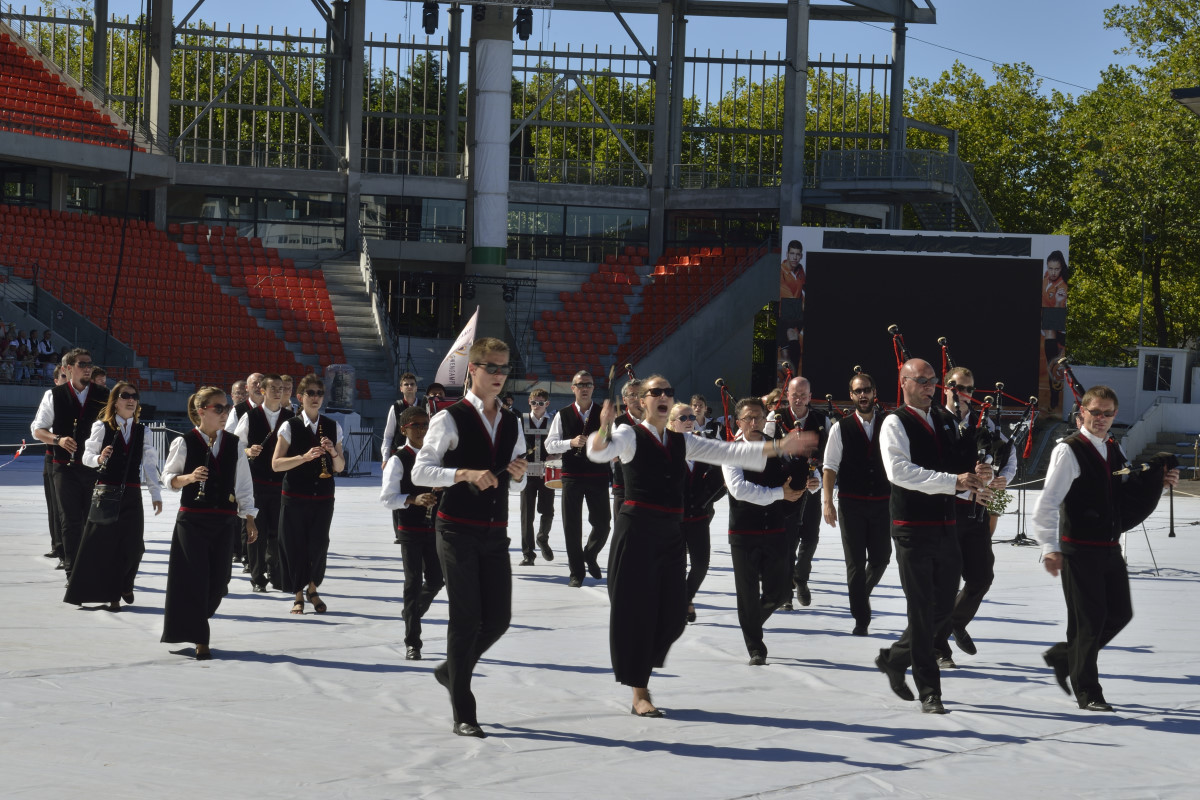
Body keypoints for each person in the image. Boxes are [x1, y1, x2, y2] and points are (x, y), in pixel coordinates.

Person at [588, 376, 816, 715]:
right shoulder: (629, 435)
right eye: (656, 393)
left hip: (669, 533)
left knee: (674, 617)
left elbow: (730, 450)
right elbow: (599, 450)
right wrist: (604, 428)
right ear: (643, 401)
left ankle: (642, 666)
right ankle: (640, 691)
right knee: (636, 613)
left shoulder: (683, 441)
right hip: (636, 531)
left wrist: (781, 446)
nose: (663, 396)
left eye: (668, 391)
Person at [1034, 385, 1179, 712]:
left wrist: (1160, 480)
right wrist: (1049, 547)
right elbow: (1046, 504)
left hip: (1109, 547)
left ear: (1114, 416)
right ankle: (1088, 691)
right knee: (1089, 621)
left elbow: (1126, 489)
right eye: (1095, 412)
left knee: (1119, 613)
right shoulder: (1068, 450)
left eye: (1107, 413)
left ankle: (1063, 656)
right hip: (1077, 549)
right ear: (1082, 411)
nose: (1100, 419)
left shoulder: (1113, 449)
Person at [411, 337, 528, 738]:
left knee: (498, 619)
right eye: (491, 367)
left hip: (496, 531)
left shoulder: (513, 421)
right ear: (472, 370)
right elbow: (420, 472)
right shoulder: (449, 417)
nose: (499, 375)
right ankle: (464, 708)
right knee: (465, 619)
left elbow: (517, 478)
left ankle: (450, 670)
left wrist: (516, 476)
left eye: (504, 368)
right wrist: (461, 474)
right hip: (456, 528)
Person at [874, 358, 988, 714]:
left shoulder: (945, 419)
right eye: (921, 380)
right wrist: (953, 481)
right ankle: (929, 690)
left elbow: (959, 461)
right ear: (903, 382)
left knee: (941, 611)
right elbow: (899, 472)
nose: (929, 386)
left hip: (946, 526)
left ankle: (894, 657)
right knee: (921, 609)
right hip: (911, 529)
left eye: (933, 380)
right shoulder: (895, 421)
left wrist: (978, 472)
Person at [161, 387, 258, 660]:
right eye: (219, 408)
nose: (225, 413)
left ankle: (190, 621)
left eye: (227, 408)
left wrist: (249, 518)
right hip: (192, 520)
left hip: (224, 521)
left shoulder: (234, 443)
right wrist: (189, 478)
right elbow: (168, 478)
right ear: (201, 410)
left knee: (220, 582)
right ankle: (201, 639)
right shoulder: (185, 441)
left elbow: (244, 484)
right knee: (195, 580)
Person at [933, 367, 1017, 664]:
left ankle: (954, 623)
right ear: (945, 388)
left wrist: (1001, 478)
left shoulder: (987, 424)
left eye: (967, 387)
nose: (961, 392)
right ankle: (939, 648)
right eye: (955, 386)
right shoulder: (932, 421)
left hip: (976, 515)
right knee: (945, 582)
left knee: (981, 577)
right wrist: (967, 491)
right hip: (941, 513)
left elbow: (1010, 454)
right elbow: (927, 473)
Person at [721, 397, 806, 664]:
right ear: (739, 423)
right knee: (746, 592)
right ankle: (755, 646)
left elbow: (790, 484)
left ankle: (751, 622)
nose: (755, 422)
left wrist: (807, 484)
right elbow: (739, 490)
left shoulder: (776, 451)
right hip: (744, 534)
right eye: (748, 418)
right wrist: (779, 493)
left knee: (780, 592)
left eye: (759, 417)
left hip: (776, 530)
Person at [64, 382, 162, 611]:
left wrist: (155, 494)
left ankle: (126, 584)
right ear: (115, 401)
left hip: (131, 492)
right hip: (106, 492)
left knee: (135, 546)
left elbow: (149, 465)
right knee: (107, 546)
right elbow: (86, 456)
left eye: (134, 396)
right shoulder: (102, 426)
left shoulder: (142, 430)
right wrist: (99, 458)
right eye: (125, 395)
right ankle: (114, 595)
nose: (131, 399)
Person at [821, 371, 892, 636]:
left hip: (883, 503)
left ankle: (859, 595)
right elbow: (829, 467)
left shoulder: (890, 422)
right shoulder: (841, 427)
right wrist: (827, 502)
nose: (863, 395)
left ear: (875, 392)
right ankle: (861, 619)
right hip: (851, 504)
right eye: (858, 391)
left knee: (881, 558)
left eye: (867, 390)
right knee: (855, 563)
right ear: (851, 395)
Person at [31, 348, 109, 581]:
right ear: (67, 369)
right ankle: (73, 572)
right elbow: (37, 430)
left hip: (95, 467)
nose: (87, 367)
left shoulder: (105, 394)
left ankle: (92, 568)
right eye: (82, 364)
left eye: (89, 363)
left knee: (93, 520)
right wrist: (58, 439)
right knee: (70, 520)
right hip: (63, 467)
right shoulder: (53, 395)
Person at [272, 373, 345, 615]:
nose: (315, 398)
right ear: (300, 397)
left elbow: (340, 467)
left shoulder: (333, 426)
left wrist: (333, 452)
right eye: (310, 393)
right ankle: (298, 595)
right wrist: (303, 457)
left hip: (323, 497)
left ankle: (313, 589)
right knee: (295, 545)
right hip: (295, 496)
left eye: (319, 393)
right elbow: (276, 464)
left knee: (318, 545)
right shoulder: (289, 425)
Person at [380, 406, 443, 660]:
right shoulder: (398, 459)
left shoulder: (437, 456)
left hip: (435, 527)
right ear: (404, 429)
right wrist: (414, 500)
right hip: (410, 529)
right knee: (413, 583)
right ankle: (413, 641)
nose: (422, 430)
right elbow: (387, 498)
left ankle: (412, 612)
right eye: (416, 425)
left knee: (438, 580)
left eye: (425, 425)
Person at [545, 369, 611, 587]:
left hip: (599, 475)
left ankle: (590, 554)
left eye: (588, 384)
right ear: (572, 388)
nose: (584, 388)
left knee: (603, 524)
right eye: (580, 384)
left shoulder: (603, 413)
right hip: (572, 475)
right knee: (571, 526)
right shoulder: (562, 414)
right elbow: (549, 444)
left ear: (593, 388)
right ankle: (577, 573)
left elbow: (614, 443)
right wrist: (570, 443)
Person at [767, 375, 827, 608]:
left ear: (810, 396)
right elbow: (768, 450)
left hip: (812, 486)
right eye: (795, 394)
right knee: (788, 541)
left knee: (811, 537)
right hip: (786, 488)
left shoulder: (821, 420)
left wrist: (818, 479)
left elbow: (828, 457)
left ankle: (800, 578)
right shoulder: (776, 416)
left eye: (804, 395)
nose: (799, 399)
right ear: (787, 395)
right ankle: (785, 593)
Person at [233, 373, 294, 592]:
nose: (278, 391)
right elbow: (235, 445)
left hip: (281, 483)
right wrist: (248, 450)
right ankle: (258, 578)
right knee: (256, 532)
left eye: (281, 388)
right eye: (273, 388)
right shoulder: (250, 416)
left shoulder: (290, 417)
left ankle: (276, 574)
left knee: (278, 532)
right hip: (256, 482)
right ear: (262, 391)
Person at [670, 402, 727, 625]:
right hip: (673, 518)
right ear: (672, 423)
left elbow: (719, 481)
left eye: (691, 418)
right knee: (677, 565)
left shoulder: (705, 447)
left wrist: (707, 499)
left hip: (700, 516)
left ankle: (685, 598)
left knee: (701, 564)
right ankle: (682, 603)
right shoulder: (665, 450)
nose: (688, 421)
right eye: (683, 418)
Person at [519, 388, 555, 565]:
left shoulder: (554, 422)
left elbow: (560, 444)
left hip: (547, 473)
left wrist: (556, 455)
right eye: (534, 402)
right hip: (527, 474)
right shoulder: (522, 421)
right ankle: (528, 554)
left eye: (541, 403)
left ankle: (543, 536)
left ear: (547, 404)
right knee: (527, 515)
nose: (537, 406)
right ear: (529, 402)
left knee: (548, 510)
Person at [609, 379, 644, 533]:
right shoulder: (618, 422)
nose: (637, 399)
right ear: (624, 400)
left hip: (649, 487)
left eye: (641, 394)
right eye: (632, 395)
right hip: (624, 485)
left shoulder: (657, 420)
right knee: (622, 532)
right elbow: (613, 454)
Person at [380, 372, 422, 463]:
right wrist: (385, 459)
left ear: (416, 388)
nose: (409, 386)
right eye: (406, 384)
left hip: (419, 455)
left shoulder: (423, 406)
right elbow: (388, 435)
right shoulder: (396, 407)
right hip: (399, 455)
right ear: (401, 389)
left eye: (412, 384)